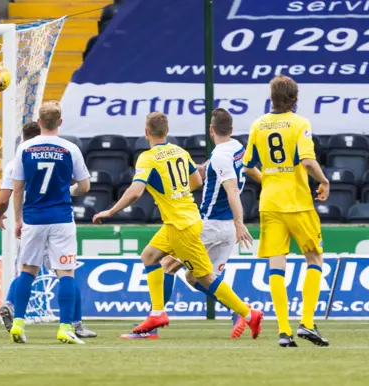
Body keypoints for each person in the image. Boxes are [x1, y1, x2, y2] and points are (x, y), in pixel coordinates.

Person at [93, 112, 263, 339]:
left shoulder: (147, 157)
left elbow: (135, 192)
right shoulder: (180, 151)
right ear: (167, 131)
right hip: (184, 219)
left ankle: (248, 313)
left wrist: (111, 211)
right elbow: (196, 182)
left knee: (203, 277)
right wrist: (177, 192)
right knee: (150, 257)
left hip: (182, 225)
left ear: (146, 133)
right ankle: (157, 314)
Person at [243, 75, 330, 348]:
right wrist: (324, 181)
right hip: (298, 202)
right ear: (294, 98)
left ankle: (283, 331)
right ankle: (306, 322)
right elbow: (307, 161)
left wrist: (268, 178)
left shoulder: (258, 124)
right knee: (314, 258)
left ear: (272, 97)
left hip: (269, 203)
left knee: (276, 266)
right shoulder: (300, 123)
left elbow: (247, 166)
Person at [0, 122, 96, 339]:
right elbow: (84, 185)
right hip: (60, 219)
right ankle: (70, 326)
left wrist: (15, 218)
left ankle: (17, 319)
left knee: (27, 271)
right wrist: (67, 190)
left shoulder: (20, 155)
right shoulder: (68, 148)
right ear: (60, 122)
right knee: (66, 272)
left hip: (33, 219)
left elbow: (14, 192)